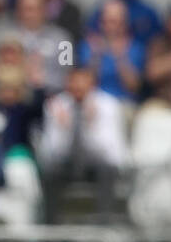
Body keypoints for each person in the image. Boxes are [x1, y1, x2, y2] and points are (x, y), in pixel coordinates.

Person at [37, 67, 128, 223]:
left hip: (97, 164)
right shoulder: (57, 105)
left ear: (92, 84)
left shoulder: (108, 105)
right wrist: (65, 128)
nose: (78, 87)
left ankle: (103, 226)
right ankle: (52, 230)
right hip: (67, 163)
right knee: (49, 173)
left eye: (82, 82)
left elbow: (112, 152)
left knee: (108, 171)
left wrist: (89, 127)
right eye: (74, 82)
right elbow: (50, 152)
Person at [78, 0, 145, 104]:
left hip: (123, 103)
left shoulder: (136, 48)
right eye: (105, 22)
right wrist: (96, 55)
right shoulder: (89, 45)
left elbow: (133, 87)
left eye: (114, 22)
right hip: (95, 102)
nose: (109, 27)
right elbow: (83, 84)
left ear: (125, 23)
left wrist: (120, 56)